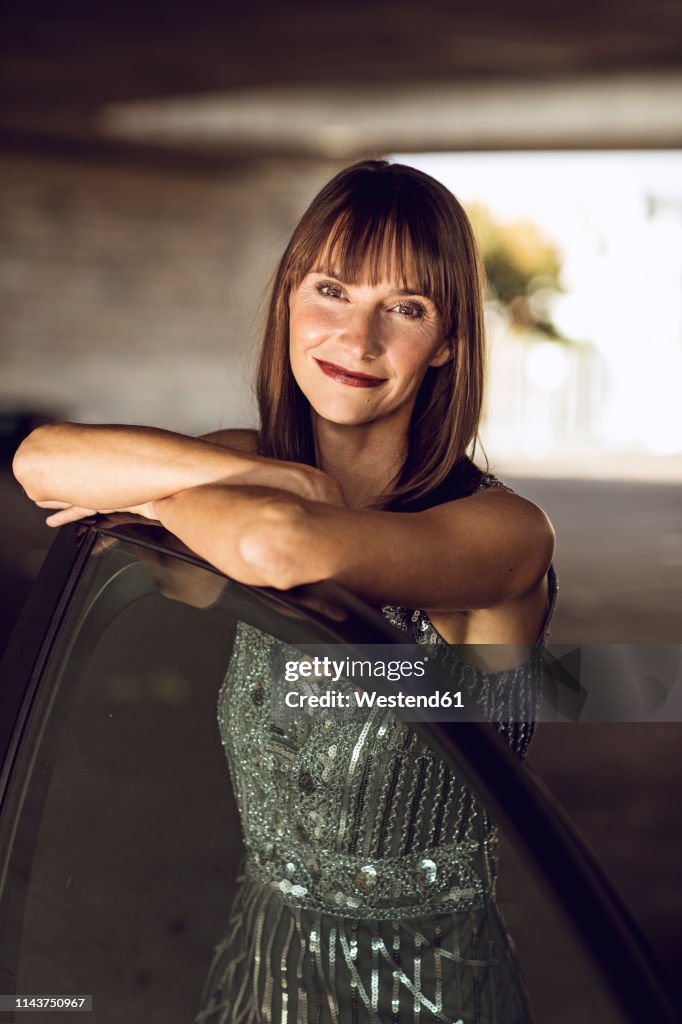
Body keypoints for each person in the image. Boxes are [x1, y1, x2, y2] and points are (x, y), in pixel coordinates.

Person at [13, 159, 557, 1023]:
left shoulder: (502, 535)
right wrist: (265, 470)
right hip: (259, 962)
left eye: (405, 309)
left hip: (423, 989)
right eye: (333, 291)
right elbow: (40, 462)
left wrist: (158, 495)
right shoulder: (249, 469)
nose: (359, 338)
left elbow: (278, 544)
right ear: (289, 301)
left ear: (449, 340)